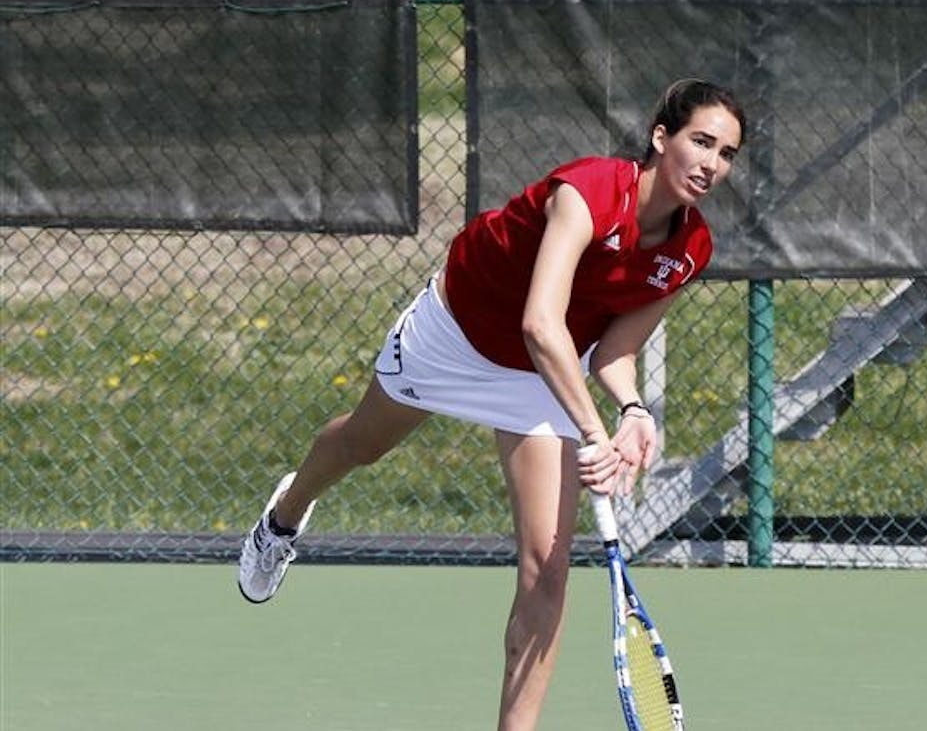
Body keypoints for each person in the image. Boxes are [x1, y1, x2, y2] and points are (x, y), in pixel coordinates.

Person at [236, 78, 746, 730]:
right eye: (700, 142)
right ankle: (286, 513)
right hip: (457, 332)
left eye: (726, 154)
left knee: (547, 569)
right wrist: (593, 432)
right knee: (362, 444)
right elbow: (540, 321)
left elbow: (614, 353)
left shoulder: (690, 248)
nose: (711, 164)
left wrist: (632, 411)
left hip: (542, 373)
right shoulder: (588, 192)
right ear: (661, 137)